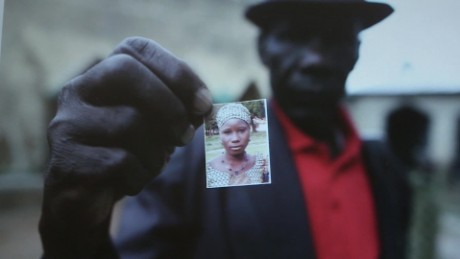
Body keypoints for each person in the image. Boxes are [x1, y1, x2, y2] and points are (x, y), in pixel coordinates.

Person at [39, 0, 411, 258]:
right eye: (295, 34)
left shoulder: (383, 167)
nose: (315, 58)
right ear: (265, 49)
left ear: (357, 51)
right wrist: (72, 236)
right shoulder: (217, 143)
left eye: (335, 36)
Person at [206, 103, 269, 188]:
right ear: (220, 135)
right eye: (227, 132)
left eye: (241, 130)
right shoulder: (208, 169)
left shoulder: (261, 164)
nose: (235, 138)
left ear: (249, 131)